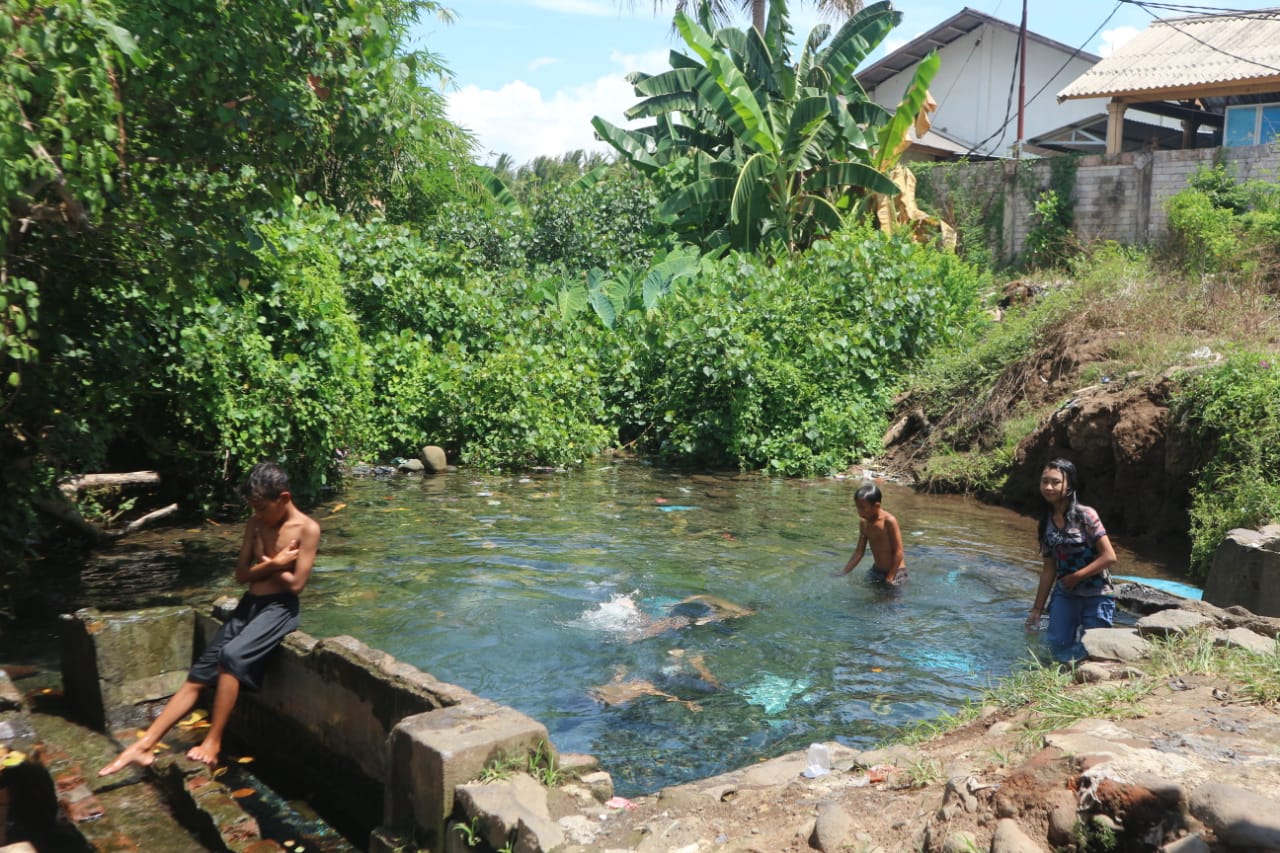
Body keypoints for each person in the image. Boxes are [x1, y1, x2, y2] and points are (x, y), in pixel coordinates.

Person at [99, 462, 320, 775]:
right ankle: (144, 745)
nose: (257, 513)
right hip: (250, 605)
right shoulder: (254, 524)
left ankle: (213, 743)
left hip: (279, 609)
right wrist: (269, 563)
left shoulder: (308, 529)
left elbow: (296, 585)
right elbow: (242, 575)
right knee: (198, 675)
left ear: (284, 497)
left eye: (261, 506)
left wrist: (272, 563)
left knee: (231, 657)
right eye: (252, 507)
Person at [1025, 457, 1117, 664]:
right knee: (1056, 649)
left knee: (1094, 652)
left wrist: (1077, 576)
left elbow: (1109, 557)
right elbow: (1049, 569)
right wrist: (1037, 610)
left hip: (1098, 594)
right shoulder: (1045, 523)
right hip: (1065, 595)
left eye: (1056, 482)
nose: (1048, 487)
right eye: (1044, 481)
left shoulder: (1086, 516)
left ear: (1070, 485)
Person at [838, 482, 906, 584]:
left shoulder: (889, 521)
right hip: (876, 570)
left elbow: (899, 552)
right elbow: (859, 553)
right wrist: (843, 572)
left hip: (896, 572)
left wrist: (890, 576)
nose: (859, 512)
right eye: (857, 507)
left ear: (877, 506)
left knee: (890, 599)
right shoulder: (864, 522)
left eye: (862, 508)